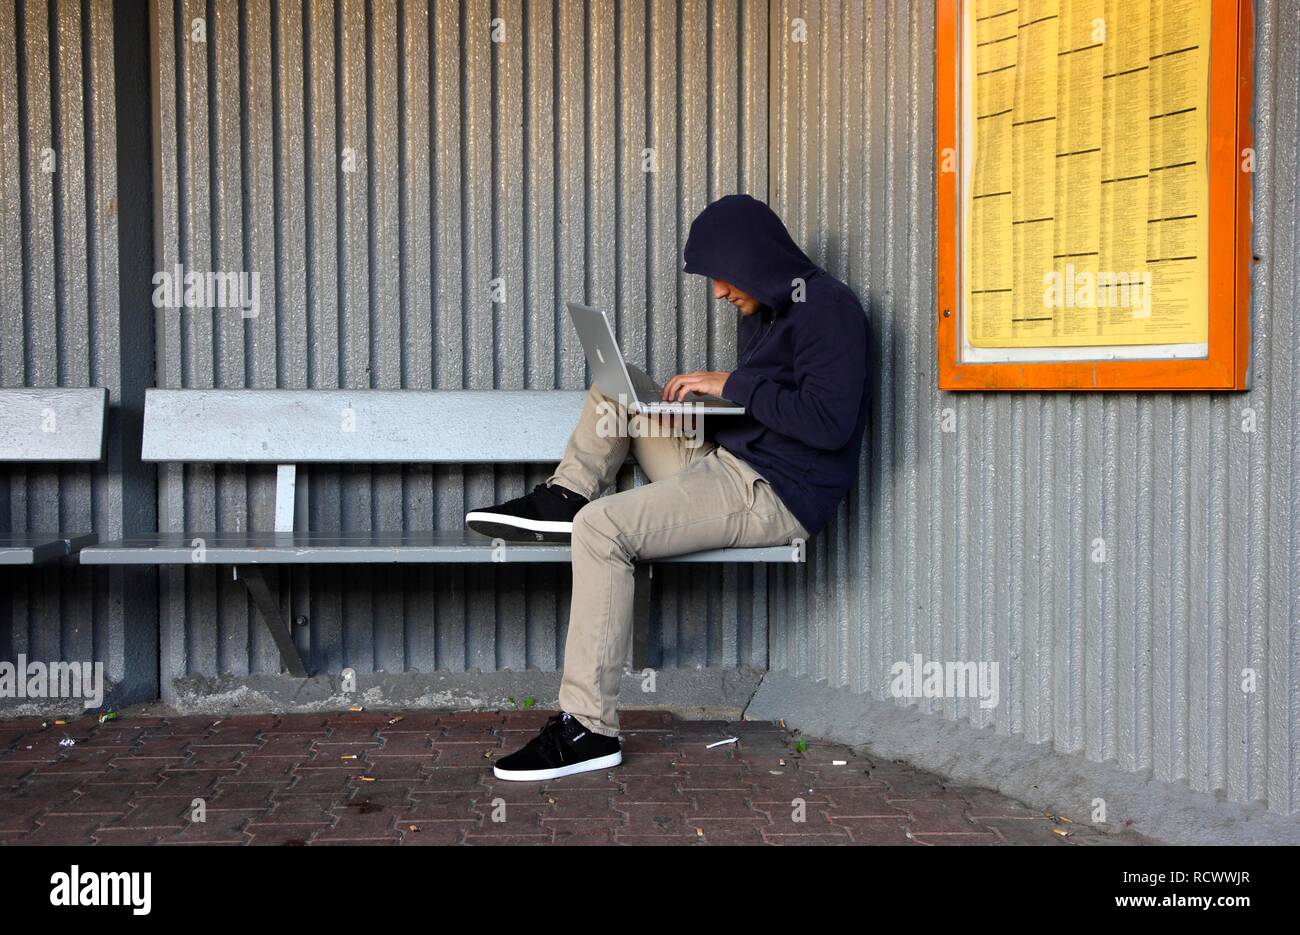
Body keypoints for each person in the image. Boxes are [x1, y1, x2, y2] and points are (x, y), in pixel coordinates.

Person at [466, 194, 870, 780]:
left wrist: (734, 384)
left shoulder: (830, 311)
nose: (719, 293)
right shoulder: (765, 313)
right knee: (620, 387)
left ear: (756, 260)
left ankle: (588, 731)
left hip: (772, 493)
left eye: (724, 278)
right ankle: (565, 494)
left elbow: (829, 425)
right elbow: (767, 407)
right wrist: (709, 408)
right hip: (727, 462)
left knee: (602, 530)